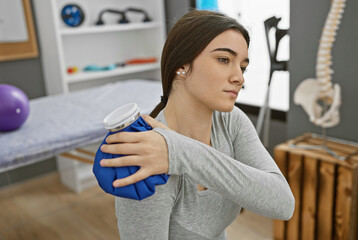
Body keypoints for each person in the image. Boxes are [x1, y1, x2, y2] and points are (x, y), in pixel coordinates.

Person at [99, 10, 295, 239]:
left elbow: (283, 204)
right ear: (182, 64)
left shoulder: (231, 122)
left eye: (242, 67)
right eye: (224, 60)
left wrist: (180, 151)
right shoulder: (146, 160)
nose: (239, 77)